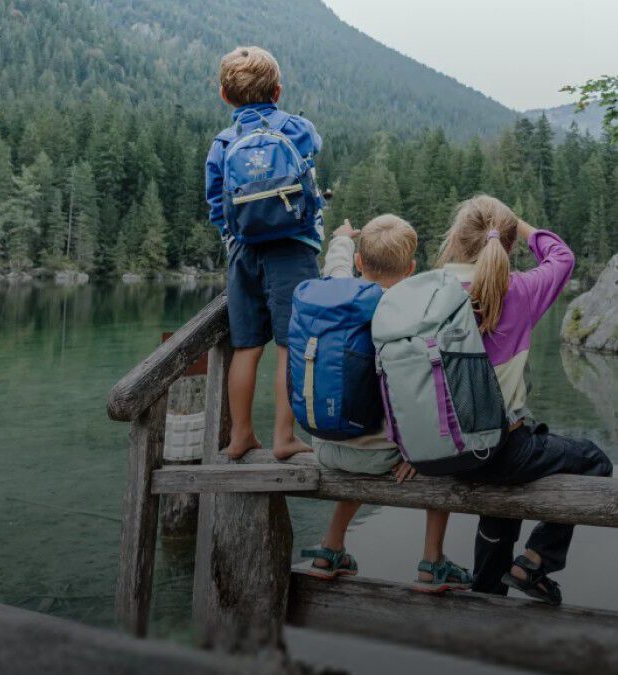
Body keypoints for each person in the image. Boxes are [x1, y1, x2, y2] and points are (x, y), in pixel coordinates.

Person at [437, 195, 613, 605]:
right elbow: (562, 257)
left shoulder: (430, 292)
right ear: (508, 244)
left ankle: (486, 591)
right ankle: (535, 560)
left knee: (503, 489)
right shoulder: (516, 291)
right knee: (594, 459)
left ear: (456, 240)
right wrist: (517, 222)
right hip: (498, 453)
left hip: (440, 451)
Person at [303, 216, 473, 592]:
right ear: (411, 269)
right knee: (446, 451)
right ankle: (432, 562)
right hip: (380, 455)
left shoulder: (338, 293)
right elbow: (423, 393)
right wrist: (417, 451)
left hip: (325, 445)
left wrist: (343, 238)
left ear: (359, 263)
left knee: (357, 422)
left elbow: (335, 265)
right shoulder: (411, 313)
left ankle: (330, 549)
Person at [204, 46, 324, 460]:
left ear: (225, 96)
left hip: (245, 252)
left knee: (247, 347)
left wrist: (233, 238)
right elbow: (314, 149)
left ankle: (240, 436)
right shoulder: (299, 128)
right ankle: (284, 438)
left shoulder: (223, 142)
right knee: (290, 346)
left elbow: (216, 204)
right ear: (278, 91)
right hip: (294, 247)